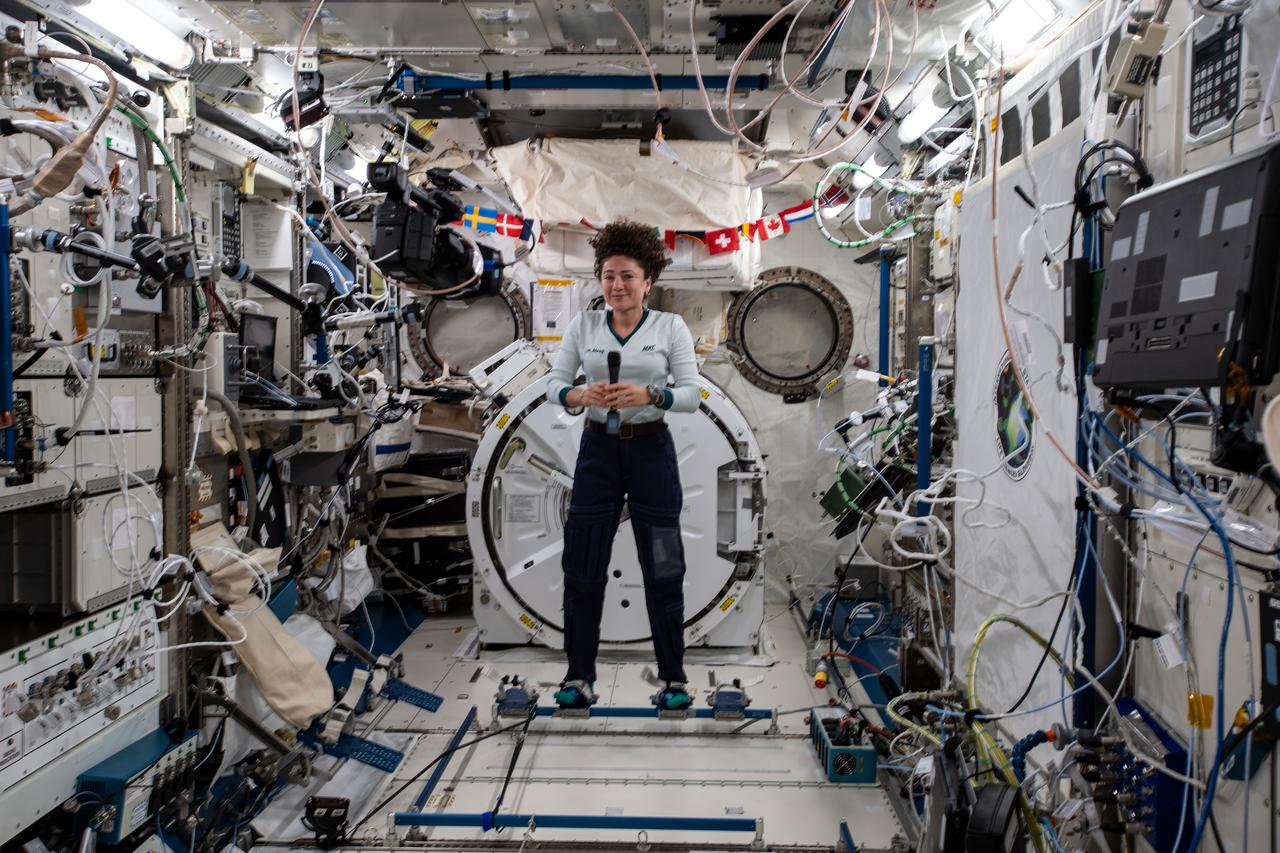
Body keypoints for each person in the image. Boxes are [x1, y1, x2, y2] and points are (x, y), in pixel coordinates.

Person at [545, 220, 702, 711]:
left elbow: (693, 395)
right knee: (583, 567)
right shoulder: (583, 327)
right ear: (601, 280)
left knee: (663, 568)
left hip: (651, 453)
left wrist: (651, 394)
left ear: (648, 281)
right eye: (609, 275)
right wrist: (579, 393)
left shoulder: (670, 328)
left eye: (628, 276)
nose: (617, 285)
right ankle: (579, 677)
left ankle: (674, 679)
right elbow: (554, 385)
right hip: (598, 454)